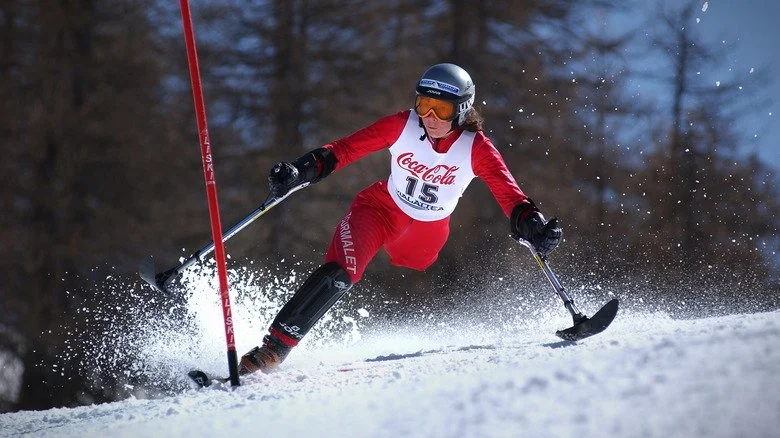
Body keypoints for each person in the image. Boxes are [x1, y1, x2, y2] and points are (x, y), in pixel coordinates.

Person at [238, 63, 562, 375]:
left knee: (416, 260)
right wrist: (300, 170)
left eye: (442, 110)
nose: (430, 117)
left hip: (426, 234)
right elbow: (345, 149)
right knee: (341, 271)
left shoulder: (476, 148)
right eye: (424, 105)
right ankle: (273, 349)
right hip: (380, 210)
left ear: (462, 110)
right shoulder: (403, 125)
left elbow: (510, 194)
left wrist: (532, 224)